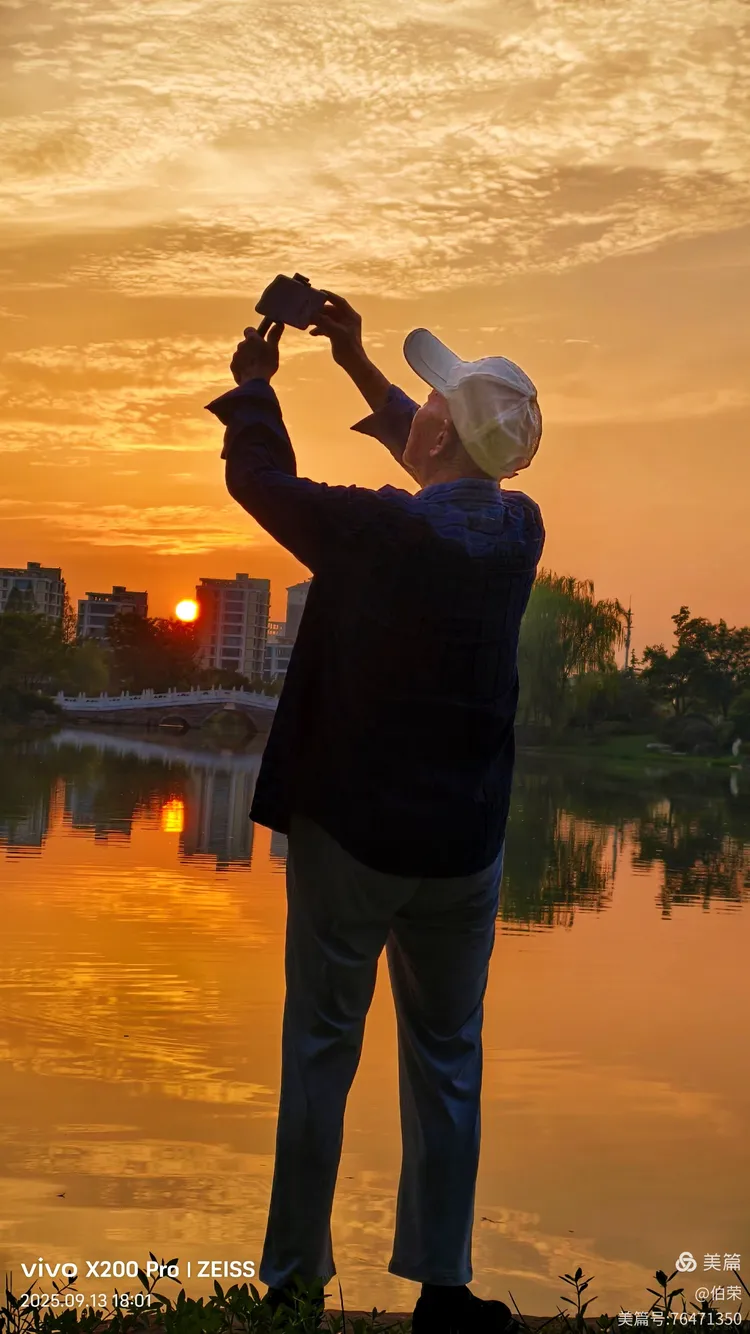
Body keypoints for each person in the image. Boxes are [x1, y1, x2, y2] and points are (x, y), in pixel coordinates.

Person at [204, 292, 545, 1333]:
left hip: (352, 830)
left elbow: (260, 481)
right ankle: (445, 1288)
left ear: (437, 429)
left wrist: (258, 389)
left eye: (431, 399)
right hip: (464, 843)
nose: (422, 406)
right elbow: (446, 466)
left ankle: (295, 1283)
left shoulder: (375, 532)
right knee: (449, 1053)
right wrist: (354, 359)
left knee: (320, 1044)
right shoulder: (518, 528)